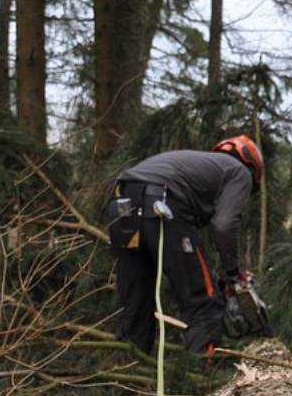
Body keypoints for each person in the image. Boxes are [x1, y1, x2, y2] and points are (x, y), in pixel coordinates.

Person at [106, 135, 263, 354]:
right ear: (253, 168)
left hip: (121, 204)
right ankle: (199, 383)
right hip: (161, 204)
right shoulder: (238, 172)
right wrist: (233, 274)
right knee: (205, 304)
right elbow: (223, 225)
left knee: (135, 308)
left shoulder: (201, 166)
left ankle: (127, 380)